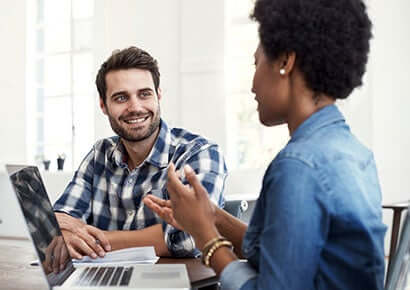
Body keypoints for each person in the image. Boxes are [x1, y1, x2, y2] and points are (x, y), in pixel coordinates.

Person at [143, 0, 387, 289]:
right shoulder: (353, 151)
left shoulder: (298, 166)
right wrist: (212, 216)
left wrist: (205, 235)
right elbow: (286, 253)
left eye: (256, 63)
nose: (252, 85)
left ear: (285, 62)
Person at [53, 47, 227, 260]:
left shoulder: (199, 153)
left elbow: (189, 238)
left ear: (158, 95)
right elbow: (59, 223)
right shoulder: (99, 154)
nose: (135, 107)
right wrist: (63, 231)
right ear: (103, 105)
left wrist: (89, 238)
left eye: (144, 94)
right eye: (120, 98)